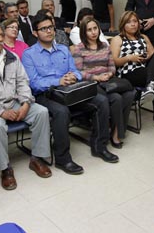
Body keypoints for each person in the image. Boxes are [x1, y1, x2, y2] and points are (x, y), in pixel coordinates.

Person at [22, 11, 118, 175]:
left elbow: (77, 71)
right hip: (46, 94)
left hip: (69, 91)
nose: (48, 31)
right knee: (61, 111)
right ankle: (62, 158)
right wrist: (57, 81)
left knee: (101, 101)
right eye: (43, 29)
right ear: (35, 33)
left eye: (50, 27)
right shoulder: (29, 54)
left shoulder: (63, 49)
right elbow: (33, 83)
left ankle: (99, 146)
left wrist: (74, 76)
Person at [0, 20, 52, 190]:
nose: (0, 39)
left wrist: (26, 103)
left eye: (1, 35)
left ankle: (37, 158)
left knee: (41, 112)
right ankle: (5, 169)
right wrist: (1, 112)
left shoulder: (11, 57)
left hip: (15, 102)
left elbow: (23, 82)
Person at [71, 17, 136, 148]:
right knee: (117, 98)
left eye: (95, 28)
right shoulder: (79, 49)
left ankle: (116, 129)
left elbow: (112, 66)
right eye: (89, 30)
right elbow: (79, 72)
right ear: (84, 32)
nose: (93, 32)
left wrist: (109, 73)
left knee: (130, 93)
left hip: (108, 80)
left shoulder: (105, 46)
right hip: (91, 83)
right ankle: (116, 134)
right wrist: (96, 78)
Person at [111, 11, 154, 128]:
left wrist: (143, 58)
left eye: (135, 21)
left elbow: (152, 53)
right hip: (127, 72)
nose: (133, 24)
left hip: (144, 69)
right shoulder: (118, 39)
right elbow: (114, 61)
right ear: (123, 24)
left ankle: (150, 86)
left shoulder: (144, 37)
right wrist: (130, 57)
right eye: (129, 22)